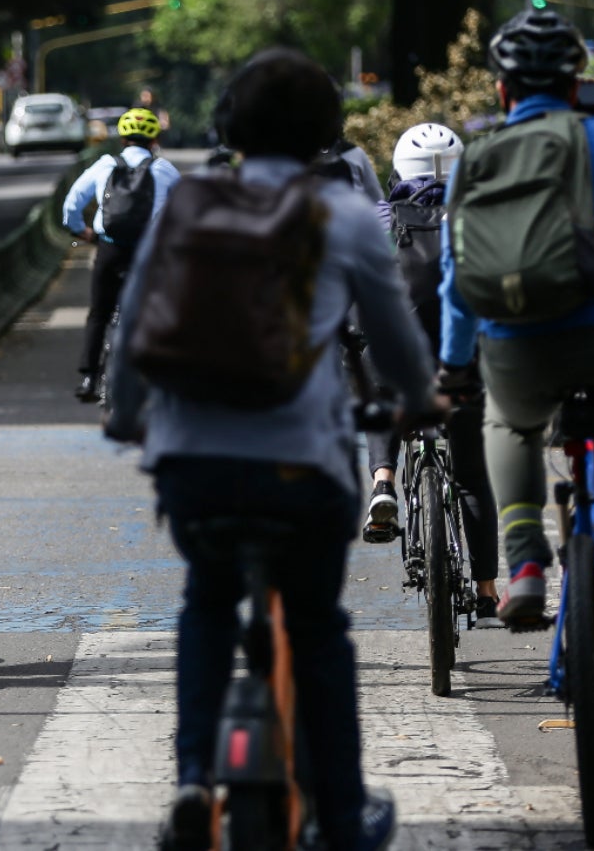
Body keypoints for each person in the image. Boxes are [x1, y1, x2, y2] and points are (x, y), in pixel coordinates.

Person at [106, 47, 439, 851]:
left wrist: (125, 416)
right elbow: (395, 347)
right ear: (328, 136)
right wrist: (422, 402)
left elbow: (131, 329)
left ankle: (191, 779)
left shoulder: (185, 208)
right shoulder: (349, 216)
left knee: (207, 603)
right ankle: (347, 812)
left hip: (194, 467)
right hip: (304, 470)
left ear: (230, 129)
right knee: (319, 629)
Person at [439, 8, 594, 764]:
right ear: (579, 80)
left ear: (502, 85)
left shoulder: (475, 157)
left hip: (521, 342)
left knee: (506, 424)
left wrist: (454, 367)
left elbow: (458, 280)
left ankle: (521, 563)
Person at [361, 122, 502, 628]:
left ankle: (383, 481)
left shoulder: (379, 217)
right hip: (462, 363)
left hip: (396, 357)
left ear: (399, 168)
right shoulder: (479, 217)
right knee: (471, 476)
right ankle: (486, 595)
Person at [61, 107, 180, 402]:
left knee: (99, 313)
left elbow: (72, 204)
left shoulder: (104, 164)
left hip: (110, 247)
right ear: (154, 139)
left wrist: (81, 231)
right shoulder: (163, 169)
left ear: (122, 139)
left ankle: (89, 378)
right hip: (148, 251)